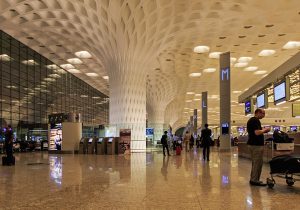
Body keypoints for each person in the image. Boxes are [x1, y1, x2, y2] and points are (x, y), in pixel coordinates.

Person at [247, 108, 270, 186]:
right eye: (263, 113)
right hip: (256, 145)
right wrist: (265, 130)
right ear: (258, 113)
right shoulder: (254, 120)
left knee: (256, 163)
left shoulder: (253, 120)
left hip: (253, 144)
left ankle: (254, 179)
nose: (264, 115)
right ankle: (254, 180)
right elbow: (256, 132)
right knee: (257, 163)